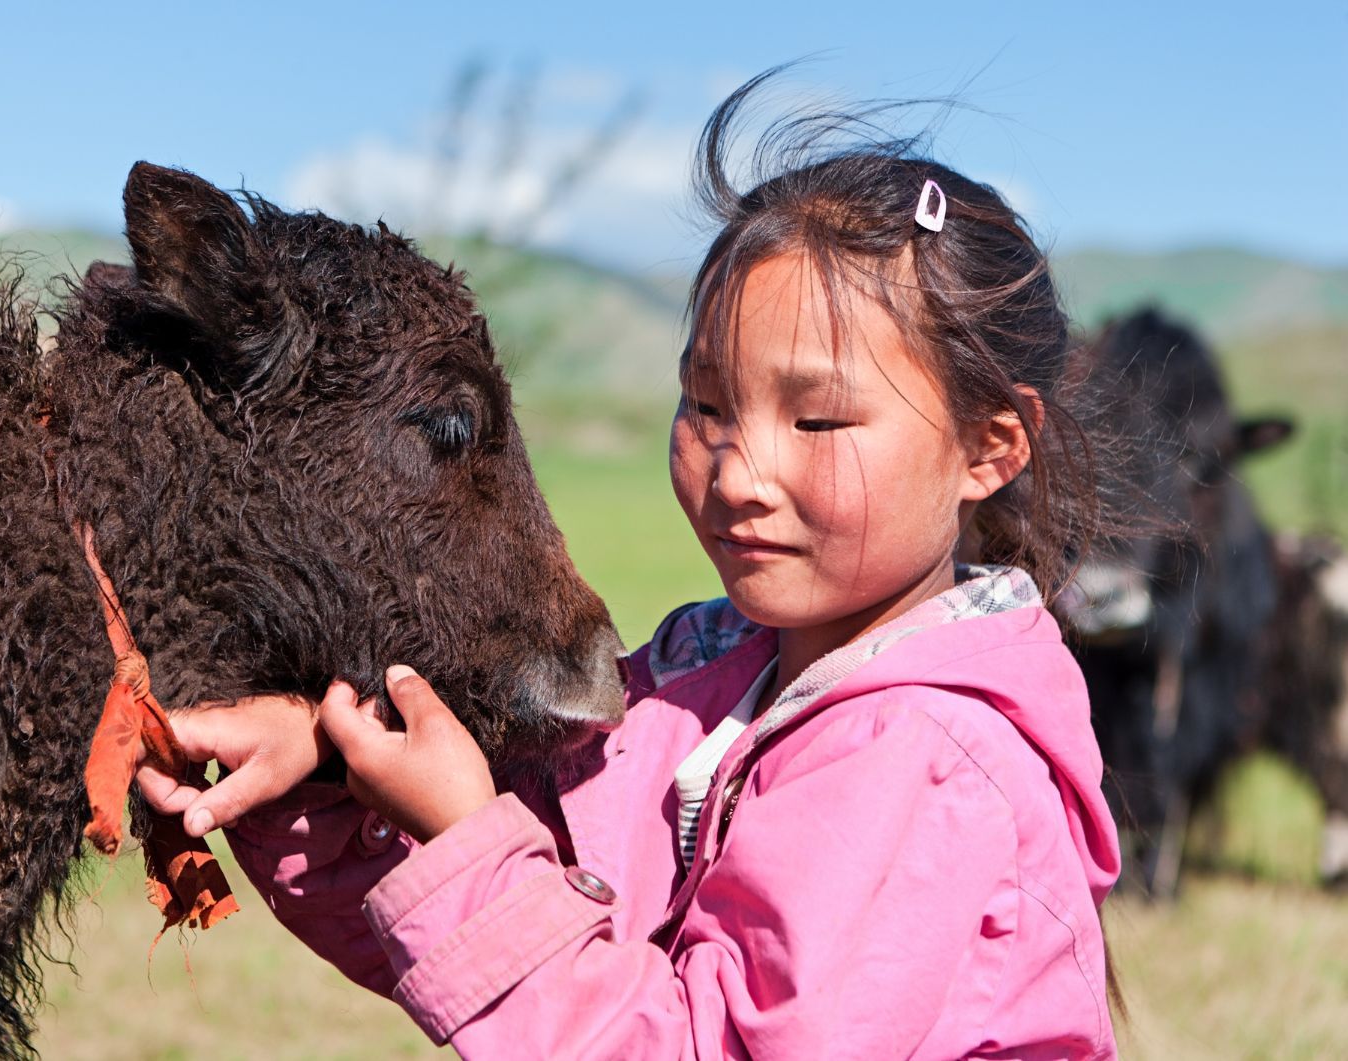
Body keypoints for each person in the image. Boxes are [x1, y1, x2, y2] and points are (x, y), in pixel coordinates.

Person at [137, 73, 1123, 1059]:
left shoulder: (928, 760)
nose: (742, 469)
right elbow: (499, 934)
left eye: (815, 418)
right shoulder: (704, 682)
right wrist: (331, 761)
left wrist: (470, 834)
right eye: (707, 404)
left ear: (988, 448)